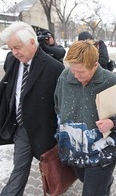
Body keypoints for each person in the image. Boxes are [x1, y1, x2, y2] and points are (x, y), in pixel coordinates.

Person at [54, 40, 116, 195]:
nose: (76, 76)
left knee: (91, 191)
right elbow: (57, 104)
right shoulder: (65, 76)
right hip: (74, 149)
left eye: (81, 72)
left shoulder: (110, 80)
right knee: (85, 179)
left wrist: (112, 122)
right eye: (73, 70)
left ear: (95, 65)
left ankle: (102, 183)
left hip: (103, 151)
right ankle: (106, 182)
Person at [0, 21, 64, 195]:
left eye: (17, 47)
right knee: (19, 169)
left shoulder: (54, 68)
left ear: (32, 42)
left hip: (44, 131)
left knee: (54, 172)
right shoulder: (12, 59)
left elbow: (61, 104)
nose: (14, 52)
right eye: (11, 48)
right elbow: (10, 88)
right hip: (21, 128)